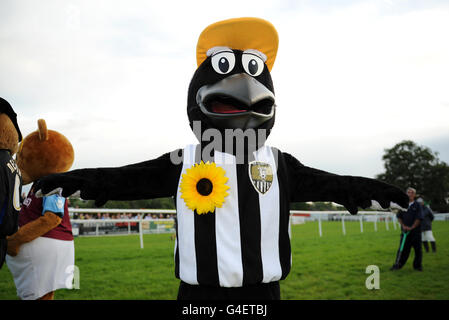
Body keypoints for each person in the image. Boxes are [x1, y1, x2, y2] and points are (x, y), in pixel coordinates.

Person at [391, 187, 424, 271]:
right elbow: (399, 217)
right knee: (402, 250)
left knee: (418, 250)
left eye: (412, 192)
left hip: (415, 232)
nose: (410, 194)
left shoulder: (418, 205)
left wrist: (412, 227)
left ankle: (417, 266)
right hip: (405, 231)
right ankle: (398, 265)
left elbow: (419, 218)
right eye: (408, 192)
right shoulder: (403, 205)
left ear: (414, 195)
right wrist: (403, 226)